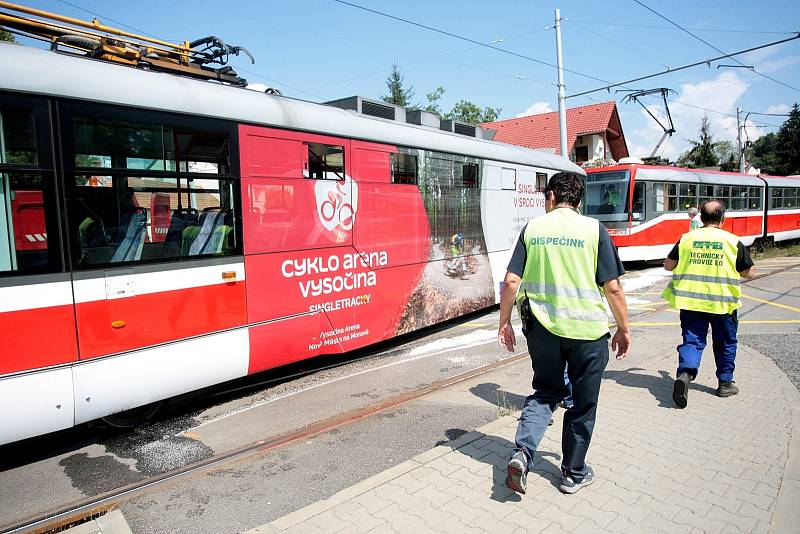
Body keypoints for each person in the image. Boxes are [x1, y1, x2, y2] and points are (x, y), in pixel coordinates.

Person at [497, 171, 631, 495]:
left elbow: (511, 282)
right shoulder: (594, 230)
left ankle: (522, 454)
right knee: (582, 405)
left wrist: (503, 323)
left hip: (543, 331)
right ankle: (573, 473)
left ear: (552, 197)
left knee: (545, 392)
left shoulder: (533, 229)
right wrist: (624, 330)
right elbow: (612, 288)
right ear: (579, 200)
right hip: (588, 334)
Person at [662, 199, 755, 408]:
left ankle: (685, 373)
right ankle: (724, 383)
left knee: (692, 341)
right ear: (723, 219)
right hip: (723, 304)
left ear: (701, 218)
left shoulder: (686, 238)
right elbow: (749, 273)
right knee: (725, 342)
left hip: (691, 302)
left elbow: (668, 266)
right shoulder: (732, 241)